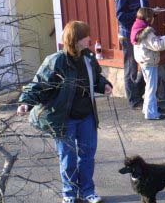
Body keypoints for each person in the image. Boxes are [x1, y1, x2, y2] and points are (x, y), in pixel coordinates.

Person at [17, 21, 113, 203]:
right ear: (76, 40)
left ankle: (87, 191)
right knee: (68, 158)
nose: (90, 39)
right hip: (64, 119)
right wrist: (26, 102)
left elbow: (96, 77)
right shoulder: (56, 61)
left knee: (87, 156)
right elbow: (39, 84)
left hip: (87, 116)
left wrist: (105, 85)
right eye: (86, 36)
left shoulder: (89, 58)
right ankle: (69, 193)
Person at [131, 7, 165, 120]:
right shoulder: (146, 32)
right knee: (152, 88)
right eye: (152, 17)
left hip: (143, 61)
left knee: (149, 87)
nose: (153, 19)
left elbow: (153, 42)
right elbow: (158, 45)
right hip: (149, 62)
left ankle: (147, 109)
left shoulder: (137, 27)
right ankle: (151, 113)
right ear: (148, 18)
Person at [115, 0, 148, 109]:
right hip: (128, 34)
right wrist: (138, 16)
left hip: (142, 32)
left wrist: (151, 12)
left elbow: (145, 9)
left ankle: (139, 94)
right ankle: (133, 100)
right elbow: (120, 16)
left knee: (146, 63)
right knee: (131, 67)